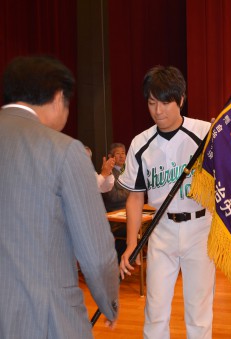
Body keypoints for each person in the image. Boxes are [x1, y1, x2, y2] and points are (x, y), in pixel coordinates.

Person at [0, 55, 119, 338]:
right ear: (57, 98)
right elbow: (96, 252)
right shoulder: (64, 150)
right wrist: (109, 302)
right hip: (44, 317)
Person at [118, 65, 215, 339]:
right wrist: (131, 243)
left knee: (199, 313)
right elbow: (135, 197)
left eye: (165, 102)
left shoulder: (205, 133)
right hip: (161, 231)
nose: (158, 111)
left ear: (181, 100)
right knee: (155, 311)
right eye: (152, 103)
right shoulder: (141, 143)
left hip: (200, 229)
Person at [102, 143, 129, 212]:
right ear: (110, 156)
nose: (121, 156)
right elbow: (114, 196)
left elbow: (142, 190)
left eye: (123, 153)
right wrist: (133, 191)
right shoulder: (107, 173)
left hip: (133, 208)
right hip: (117, 211)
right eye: (118, 153)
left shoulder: (130, 170)